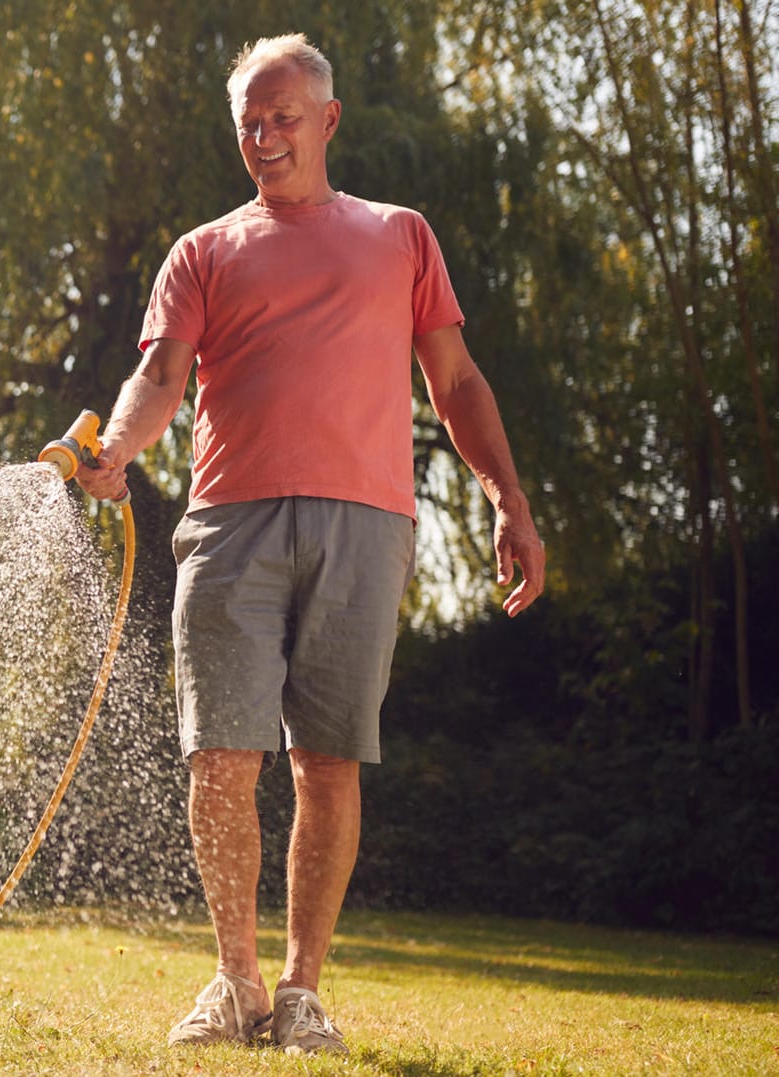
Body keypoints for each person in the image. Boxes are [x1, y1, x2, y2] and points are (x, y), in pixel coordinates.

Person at [74, 33, 545, 1055]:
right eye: (250, 121)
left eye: (284, 117)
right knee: (219, 758)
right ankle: (236, 983)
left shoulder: (400, 236)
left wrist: (506, 496)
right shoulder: (202, 251)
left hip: (365, 525)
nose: (266, 136)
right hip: (230, 523)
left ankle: (301, 995)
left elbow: (455, 384)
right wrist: (114, 449)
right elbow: (160, 379)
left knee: (329, 762)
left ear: (328, 120)